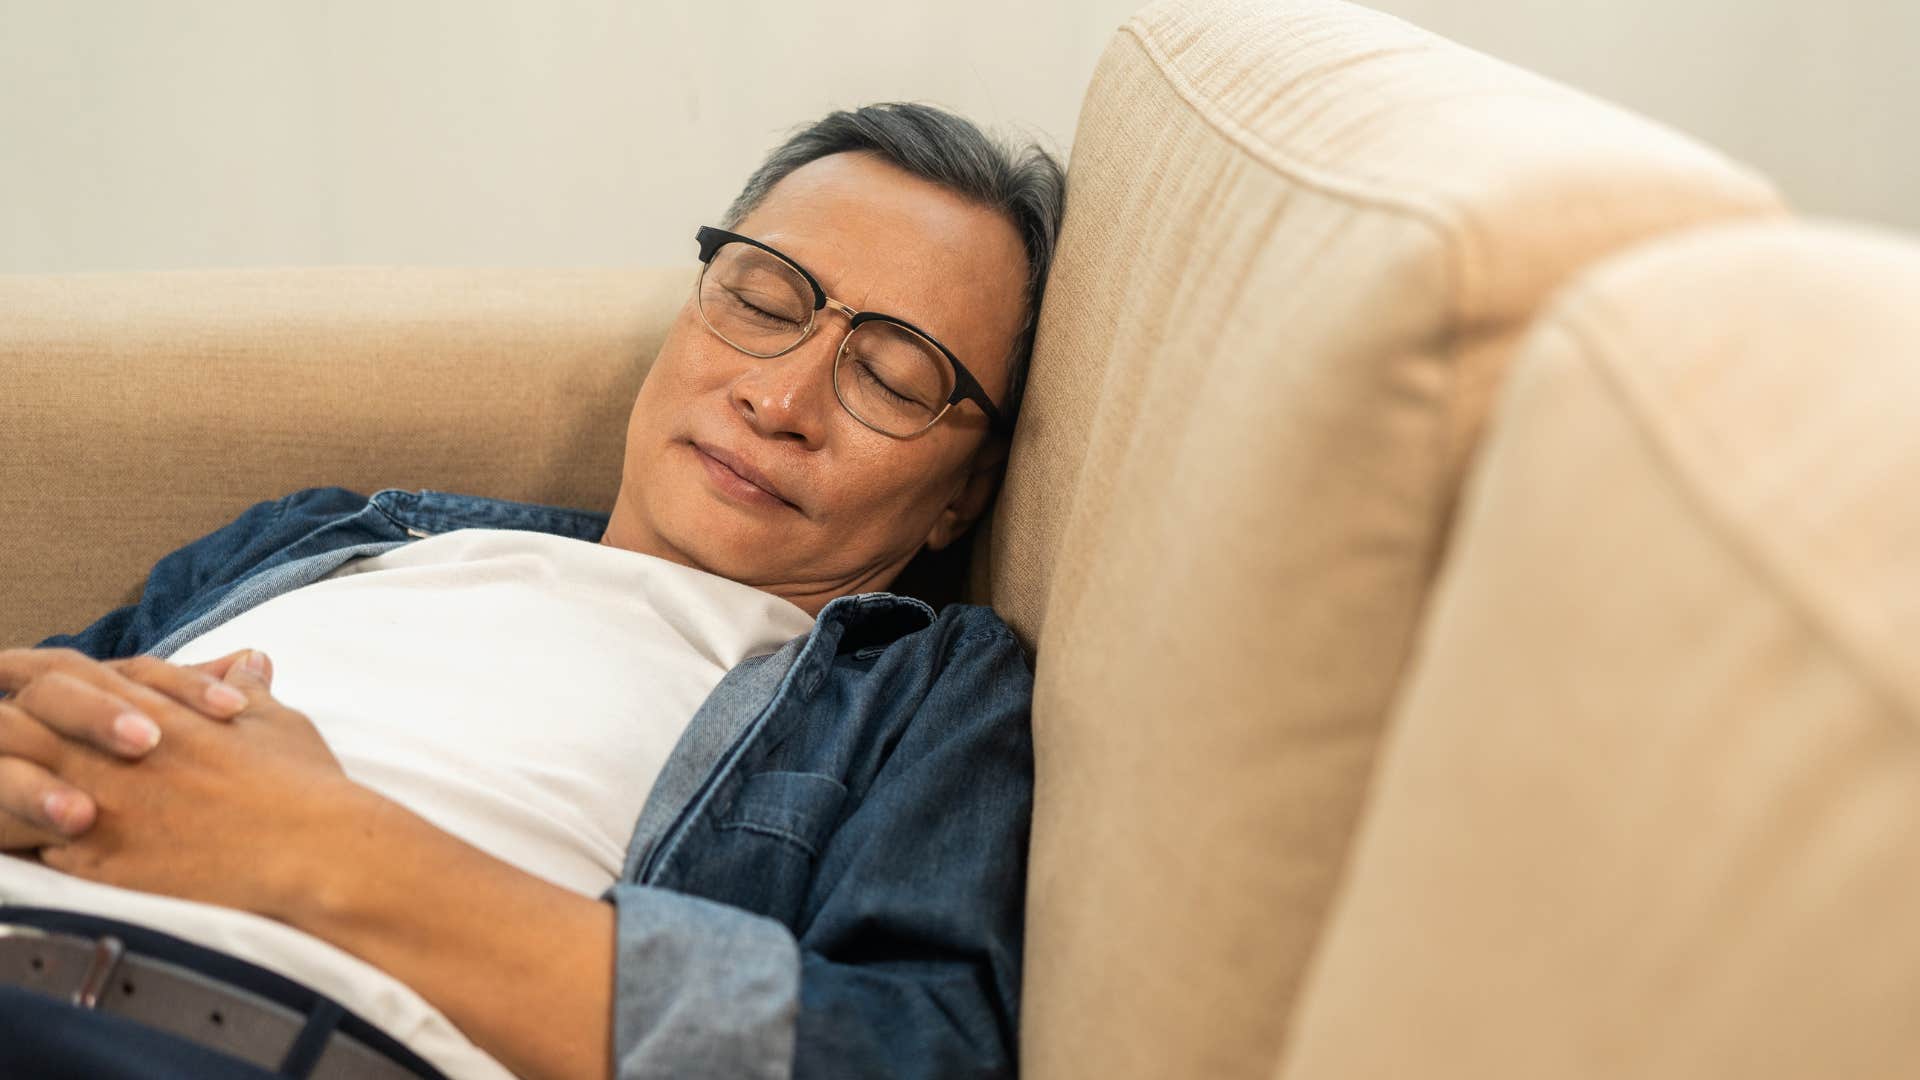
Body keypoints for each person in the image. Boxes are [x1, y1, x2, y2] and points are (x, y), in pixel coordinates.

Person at [0, 102, 1064, 1080]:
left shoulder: (921, 694)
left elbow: (914, 1053)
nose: (779, 398)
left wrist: (324, 852)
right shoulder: (330, 534)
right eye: (762, 299)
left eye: (891, 379)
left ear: (960, 499)